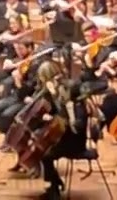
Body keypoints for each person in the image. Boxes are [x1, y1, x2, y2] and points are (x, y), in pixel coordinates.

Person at [36, 65, 87, 200]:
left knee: (45, 155)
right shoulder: (68, 105)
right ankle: (55, 183)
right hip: (66, 139)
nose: (61, 94)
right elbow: (60, 114)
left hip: (75, 143)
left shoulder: (78, 108)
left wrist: (56, 118)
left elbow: (75, 128)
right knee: (42, 150)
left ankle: (55, 187)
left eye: (64, 92)